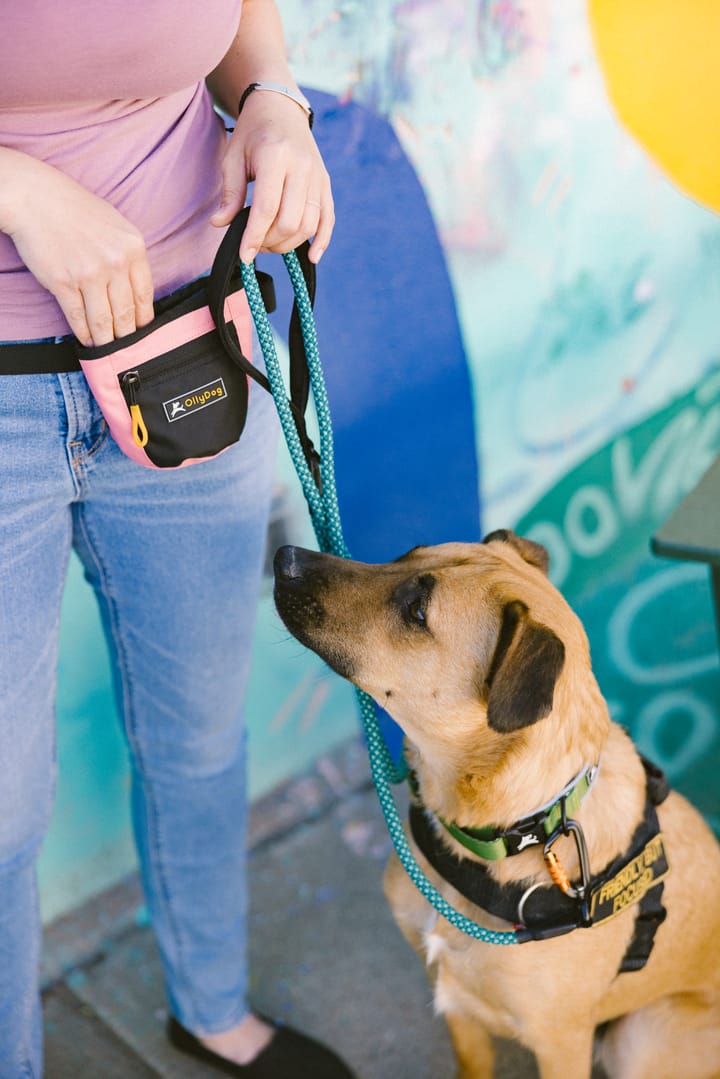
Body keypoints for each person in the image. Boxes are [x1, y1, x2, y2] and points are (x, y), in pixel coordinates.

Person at [0, 2, 355, 1076]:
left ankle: (211, 1007)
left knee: (201, 733)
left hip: (189, 344)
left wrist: (273, 104)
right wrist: (15, 186)